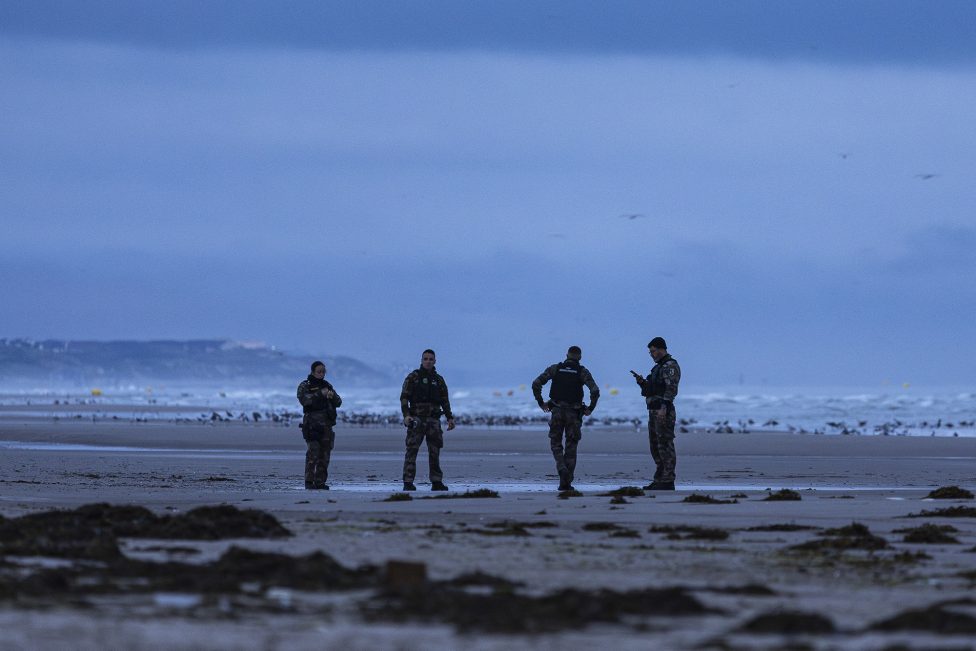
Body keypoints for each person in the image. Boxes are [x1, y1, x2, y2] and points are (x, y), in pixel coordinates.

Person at [532, 345, 600, 491]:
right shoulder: (582, 371)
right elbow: (595, 390)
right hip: (574, 414)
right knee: (571, 446)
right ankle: (566, 482)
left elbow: (536, 383)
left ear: (566, 355)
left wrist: (541, 403)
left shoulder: (555, 368)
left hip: (556, 411)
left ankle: (561, 466)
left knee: (556, 443)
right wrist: (590, 408)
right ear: (580, 357)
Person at [400, 349, 456, 491]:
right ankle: (408, 481)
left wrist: (450, 417)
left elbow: (445, 401)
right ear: (421, 360)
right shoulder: (413, 377)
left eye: (431, 359)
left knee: (435, 452)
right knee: (412, 450)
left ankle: (436, 482)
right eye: (425, 359)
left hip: (434, 421)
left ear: (435, 361)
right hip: (417, 419)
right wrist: (406, 415)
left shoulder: (439, 380)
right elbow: (404, 398)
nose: (428, 361)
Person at [631, 337, 681, 490]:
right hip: (653, 410)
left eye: (653, 351)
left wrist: (664, 408)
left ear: (661, 349)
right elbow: (652, 389)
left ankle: (668, 480)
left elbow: (671, 389)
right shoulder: (657, 368)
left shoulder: (670, 365)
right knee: (655, 446)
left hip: (662, 410)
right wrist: (642, 382)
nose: (651, 354)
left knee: (665, 445)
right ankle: (660, 478)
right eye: (650, 352)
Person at [296, 361, 342, 490]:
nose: (322, 374)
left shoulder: (327, 385)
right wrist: (320, 394)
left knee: (325, 455)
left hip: (327, 426)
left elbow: (339, 402)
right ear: (313, 372)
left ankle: (320, 482)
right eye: (319, 371)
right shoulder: (305, 385)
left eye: (323, 372)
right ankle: (309, 481)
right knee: (313, 453)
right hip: (312, 425)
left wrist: (332, 396)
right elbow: (304, 400)